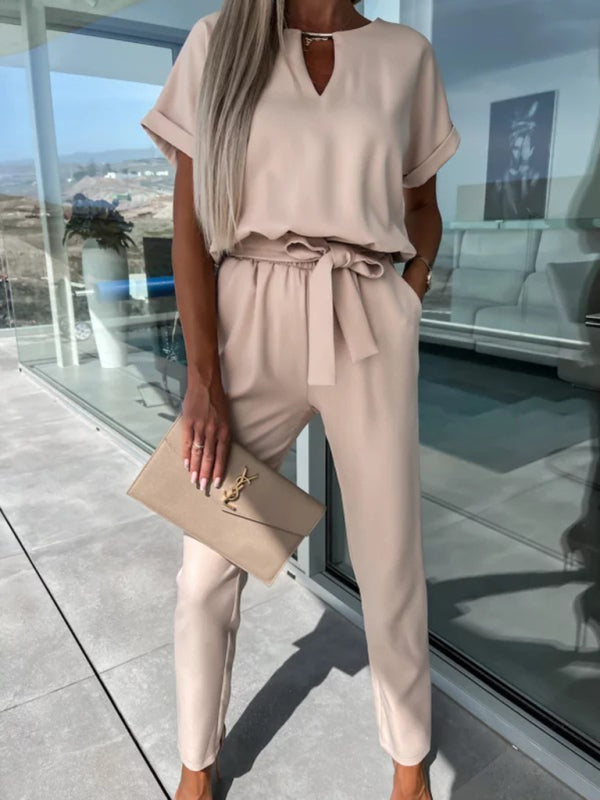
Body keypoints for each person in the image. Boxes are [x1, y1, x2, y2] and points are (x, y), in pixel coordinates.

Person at [140, 1, 460, 798]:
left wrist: (408, 295)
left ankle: (410, 767)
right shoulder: (221, 41)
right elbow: (190, 221)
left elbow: (422, 204)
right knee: (206, 569)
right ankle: (196, 766)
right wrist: (203, 380)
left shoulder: (405, 55)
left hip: (366, 314)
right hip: (249, 312)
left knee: (389, 559)